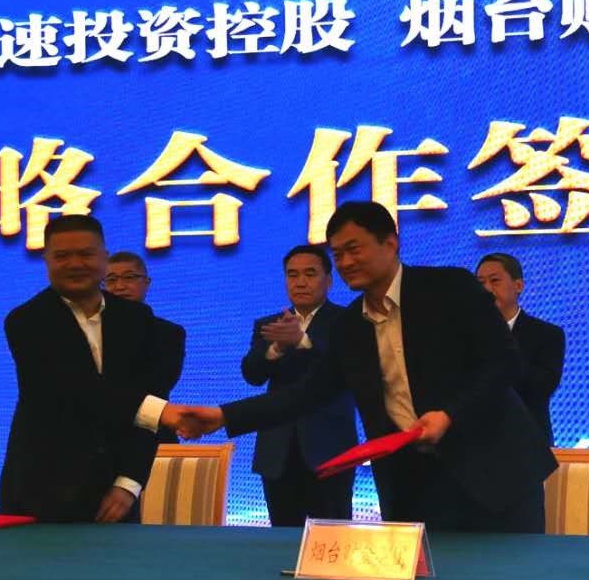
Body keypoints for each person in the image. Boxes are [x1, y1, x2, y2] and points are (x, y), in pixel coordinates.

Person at [175, 201, 555, 533]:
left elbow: (504, 363)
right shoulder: (350, 325)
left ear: (390, 243)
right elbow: (306, 394)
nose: (345, 262)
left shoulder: (449, 288)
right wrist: (223, 416)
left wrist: (449, 415)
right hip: (412, 486)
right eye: (338, 254)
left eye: (353, 249)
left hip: (494, 474)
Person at [0, 214, 185, 523]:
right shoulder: (25, 321)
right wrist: (161, 412)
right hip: (39, 493)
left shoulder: (137, 320)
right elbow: (74, 389)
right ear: (46, 260)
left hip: (116, 495)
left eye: (85, 254)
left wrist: (129, 482)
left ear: (104, 258)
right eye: (62, 256)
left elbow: (151, 395)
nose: (75, 264)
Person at [240, 245, 358, 526]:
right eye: (292, 275)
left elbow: (347, 371)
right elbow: (252, 375)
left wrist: (302, 342)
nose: (300, 282)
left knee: (332, 535)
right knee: (281, 539)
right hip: (277, 453)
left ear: (329, 281)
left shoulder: (348, 320)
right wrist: (276, 348)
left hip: (330, 450)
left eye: (310, 274)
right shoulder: (269, 325)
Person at [475, 252, 565, 443]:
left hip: (528, 443)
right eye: (480, 283)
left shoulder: (548, 334)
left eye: (495, 281)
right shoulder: (465, 335)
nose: (487, 289)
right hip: (475, 444)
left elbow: (542, 387)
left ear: (518, 286)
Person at [104, 250, 187, 442]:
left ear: (146, 283)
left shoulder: (169, 332)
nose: (119, 286)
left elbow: (159, 385)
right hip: (97, 437)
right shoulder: (89, 329)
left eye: (129, 277)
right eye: (111, 280)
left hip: (150, 434)